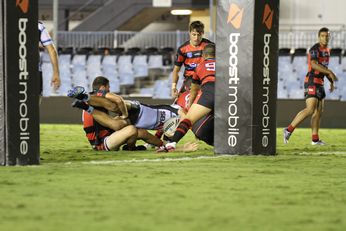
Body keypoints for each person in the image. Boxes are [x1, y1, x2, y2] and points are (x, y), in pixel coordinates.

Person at [283, 27, 338, 145]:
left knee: (318, 112)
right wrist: (329, 73)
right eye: (323, 36)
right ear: (319, 37)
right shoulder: (315, 49)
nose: (325, 38)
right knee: (310, 109)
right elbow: (313, 64)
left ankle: (315, 139)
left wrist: (331, 81)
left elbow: (324, 68)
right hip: (312, 81)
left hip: (321, 83)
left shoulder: (327, 51)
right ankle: (288, 130)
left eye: (327, 35)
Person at [158, 43, 216, 152]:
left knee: (188, 119)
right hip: (225, 94)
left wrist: (190, 104)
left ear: (203, 56)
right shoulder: (225, 64)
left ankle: (172, 144)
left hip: (209, 92)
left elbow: (194, 90)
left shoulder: (199, 66)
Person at [171, 21, 214, 98]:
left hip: (205, 78)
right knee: (179, 103)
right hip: (190, 79)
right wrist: (174, 87)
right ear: (189, 33)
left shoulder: (209, 46)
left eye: (199, 35)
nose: (196, 38)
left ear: (203, 33)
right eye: (194, 35)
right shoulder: (182, 49)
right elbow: (176, 70)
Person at [39, 21, 60, 94]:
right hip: (34, 73)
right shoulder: (38, 26)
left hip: (11, 71)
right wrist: (56, 73)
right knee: (34, 103)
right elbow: (52, 50)